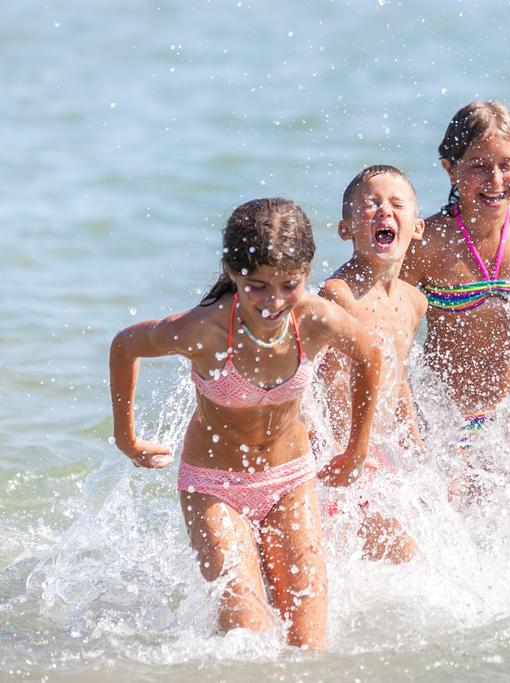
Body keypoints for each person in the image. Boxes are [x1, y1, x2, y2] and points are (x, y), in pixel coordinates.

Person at [109, 198, 382, 650]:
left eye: (288, 284)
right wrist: (127, 439)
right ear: (233, 273)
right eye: (257, 286)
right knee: (249, 638)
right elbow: (125, 346)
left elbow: (370, 355)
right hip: (214, 488)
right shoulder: (203, 330)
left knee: (309, 646)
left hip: (290, 480)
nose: (273, 302)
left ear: (307, 272)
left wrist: (357, 450)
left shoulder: (315, 319)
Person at [400, 100, 510, 428]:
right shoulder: (425, 242)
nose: (495, 179)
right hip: (444, 419)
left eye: (506, 164)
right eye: (478, 166)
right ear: (450, 169)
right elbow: (392, 337)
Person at [318, 165, 426, 563]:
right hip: (340, 455)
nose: (384, 211)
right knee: (405, 555)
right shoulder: (337, 294)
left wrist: (414, 450)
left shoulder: (414, 302)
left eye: (397, 204)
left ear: (417, 227)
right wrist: (340, 453)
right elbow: (322, 384)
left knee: (398, 553)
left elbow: (397, 380)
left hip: (376, 455)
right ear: (345, 229)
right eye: (370, 205)